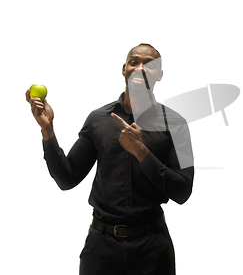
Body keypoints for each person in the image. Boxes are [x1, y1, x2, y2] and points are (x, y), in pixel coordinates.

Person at [26, 43, 194, 275]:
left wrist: (141, 152)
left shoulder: (176, 124)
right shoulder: (98, 120)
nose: (140, 68)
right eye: (134, 62)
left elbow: (183, 191)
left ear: (160, 75)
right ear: (124, 69)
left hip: (153, 248)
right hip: (101, 247)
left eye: (150, 65)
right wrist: (48, 130)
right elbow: (67, 179)